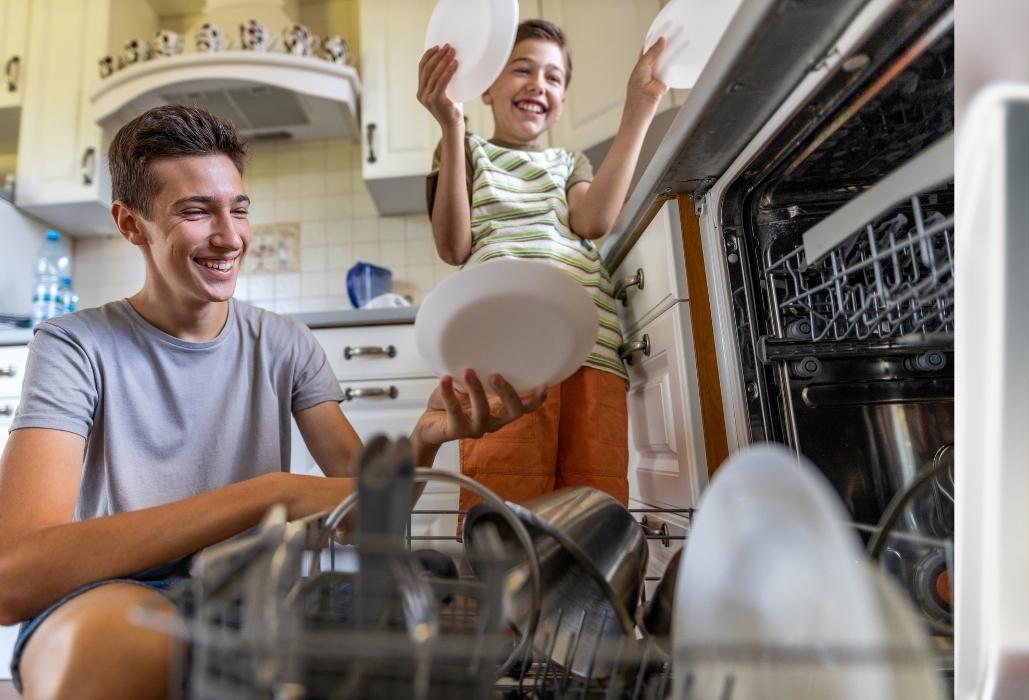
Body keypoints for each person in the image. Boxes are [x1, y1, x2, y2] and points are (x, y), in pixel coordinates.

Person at [0, 104, 543, 700]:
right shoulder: (76, 345)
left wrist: (423, 443)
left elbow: (360, 518)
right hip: (115, 590)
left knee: (407, 643)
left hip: (260, 592)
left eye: (238, 208)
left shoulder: (284, 343)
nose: (229, 236)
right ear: (131, 226)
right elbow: (14, 579)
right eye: (194, 211)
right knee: (113, 660)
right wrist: (268, 494)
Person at [417, 19, 668, 510]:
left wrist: (640, 108)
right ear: (485, 87)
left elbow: (593, 220)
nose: (538, 84)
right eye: (522, 69)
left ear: (563, 100)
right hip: (501, 359)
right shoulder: (467, 149)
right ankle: (506, 589)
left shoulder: (568, 162)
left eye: (554, 77)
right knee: (504, 504)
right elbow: (453, 246)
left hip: (589, 351)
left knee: (594, 504)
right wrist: (451, 125)